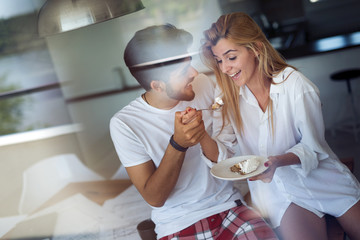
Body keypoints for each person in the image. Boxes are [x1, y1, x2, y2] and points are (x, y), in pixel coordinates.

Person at [199, 12, 360, 240]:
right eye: (219, 60)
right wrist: (201, 136)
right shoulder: (228, 96)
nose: (224, 68)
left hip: (325, 181)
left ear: (255, 49)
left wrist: (277, 162)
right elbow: (224, 156)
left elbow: (313, 148)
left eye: (231, 57)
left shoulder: (295, 85)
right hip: (281, 195)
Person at [109, 24, 278, 239]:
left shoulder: (203, 85)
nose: (194, 73)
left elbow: (226, 156)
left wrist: (203, 137)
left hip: (229, 206)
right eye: (182, 72)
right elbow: (155, 198)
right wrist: (178, 144)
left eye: (189, 63)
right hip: (177, 223)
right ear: (157, 86)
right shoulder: (125, 123)